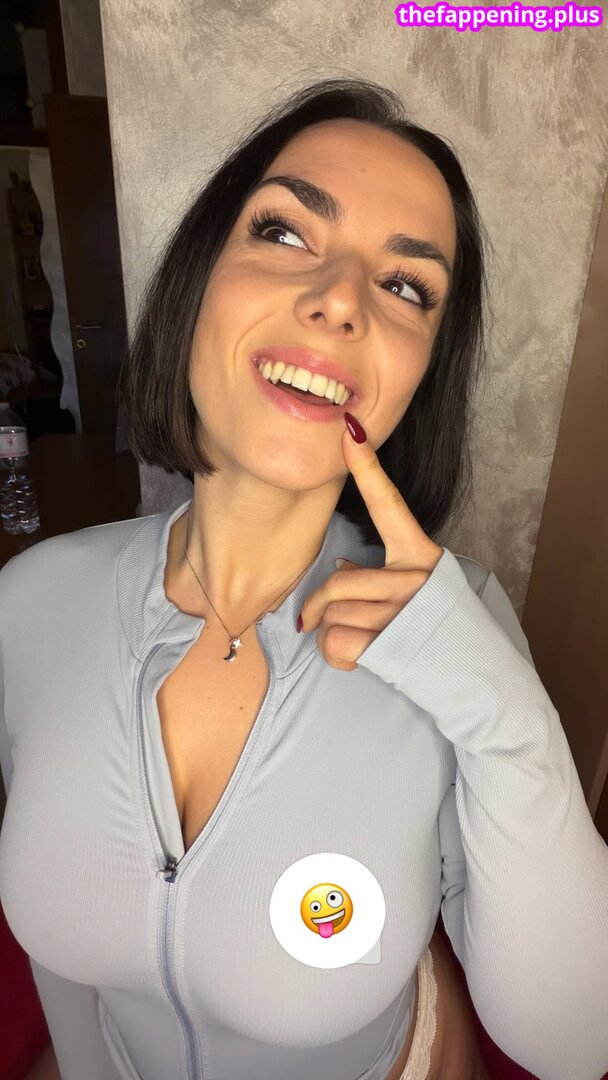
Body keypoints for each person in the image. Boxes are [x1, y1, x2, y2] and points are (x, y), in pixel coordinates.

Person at [1, 77, 607, 1080]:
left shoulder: (462, 635)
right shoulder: (28, 608)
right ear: (198, 280)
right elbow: (59, 961)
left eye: (405, 287)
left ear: (418, 375)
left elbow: (577, 1044)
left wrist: (509, 719)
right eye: (284, 232)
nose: (340, 300)